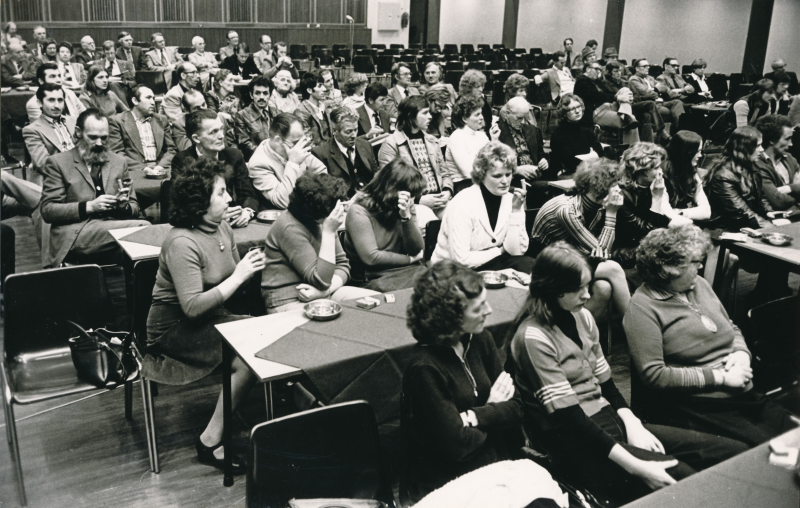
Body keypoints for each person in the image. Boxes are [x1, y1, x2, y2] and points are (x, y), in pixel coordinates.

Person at [509, 242, 746, 506]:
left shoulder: (582, 317)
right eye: (579, 289)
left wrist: (631, 422)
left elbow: (607, 385)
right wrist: (635, 464)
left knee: (731, 452)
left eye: (588, 285)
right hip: (576, 442)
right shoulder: (533, 337)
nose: (588, 295)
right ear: (553, 290)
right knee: (683, 481)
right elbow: (569, 418)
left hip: (611, 421)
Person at [142, 157, 265, 475]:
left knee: (264, 333)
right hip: (174, 327)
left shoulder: (222, 226)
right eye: (222, 193)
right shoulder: (182, 241)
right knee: (248, 354)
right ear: (200, 202)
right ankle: (210, 440)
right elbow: (192, 307)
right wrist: (240, 275)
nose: (230, 199)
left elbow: (234, 277)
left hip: (211, 315)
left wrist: (256, 268)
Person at [624, 225, 797, 447]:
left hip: (744, 392)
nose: (701, 266)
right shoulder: (642, 309)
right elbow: (655, 375)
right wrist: (721, 378)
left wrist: (741, 353)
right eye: (695, 262)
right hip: (702, 406)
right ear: (670, 268)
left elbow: (730, 327)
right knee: (770, 454)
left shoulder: (699, 285)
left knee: (794, 438)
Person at [401, 260, 524, 503]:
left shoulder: (481, 339)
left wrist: (474, 416)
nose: (489, 311)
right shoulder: (425, 367)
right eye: (478, 308)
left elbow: (518, 407)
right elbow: (458, 446)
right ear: (450, 318)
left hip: (494, 463)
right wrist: (494, 407)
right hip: (448, 481)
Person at [39, 109, 150, 267]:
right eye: (92, 137)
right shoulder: (58, 163)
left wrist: (122, 206)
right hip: (75, 234)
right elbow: (48, 210)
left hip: (111, 228)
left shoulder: (119, 162)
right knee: (144, 229)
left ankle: (138, 291)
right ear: (78, 132)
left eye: (104, 138)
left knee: (145, 243)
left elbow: (134, 208)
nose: (99, 144)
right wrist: (89, 206)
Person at [260, 172, 378, 312]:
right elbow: (320, 280)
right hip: (288, 299)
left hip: (322, 292)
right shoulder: (289, 226)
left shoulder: (322, 217)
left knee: (377, 301)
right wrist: (328, 232)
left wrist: (322, 292)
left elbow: (343, 266)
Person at [530, 158, 631, 320]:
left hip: (568, 256)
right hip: (544, 263)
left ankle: (576, 333)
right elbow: (603, 253)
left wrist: (609, 212)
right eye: (614, 185)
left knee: (603, 288)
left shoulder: (596, 207)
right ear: (599, 186)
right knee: (613, 268)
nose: (619, 189)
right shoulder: (567, 209)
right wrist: (612, 213)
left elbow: (600, 253)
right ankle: (637, 326)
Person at [432, 141, 532, 272]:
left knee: (530, 265)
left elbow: (517, 251)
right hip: (450, 272)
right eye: (497, 175)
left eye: (508, 174)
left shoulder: (511, 200)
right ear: (481, 175)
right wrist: (500, 251)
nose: (505, 181)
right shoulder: (462, 203)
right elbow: (460, 260)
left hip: (488, 266)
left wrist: (516, 211)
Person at [343, 157, 427, 289]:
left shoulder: (405, 203)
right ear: (392, 191)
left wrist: (406, 218)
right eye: (410, 195)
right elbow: (371, 258)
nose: (412, 200)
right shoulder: (358, 211)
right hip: (371, 277)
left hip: (402, 270)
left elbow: (416, 248)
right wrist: (410, 259)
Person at [172, 109, 259, 228]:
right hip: (199, 225)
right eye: (214, 132)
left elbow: (248, 194)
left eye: (221, 129)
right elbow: (180, 205)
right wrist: (213, 216)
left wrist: (247, 212)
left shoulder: (234, 156)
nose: (221, 136)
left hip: (233, 221)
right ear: (196, 138)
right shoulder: (183, 160)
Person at [614, 142, 690, 268]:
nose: (661, 172)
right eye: (656, 168)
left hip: (649, 242)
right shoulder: (621, 195)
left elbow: (666, 218)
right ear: (642, 170)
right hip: (626, 250)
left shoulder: (654, 186)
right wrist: (657, 198)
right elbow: (646, 234)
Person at [378, 95, 453, 217]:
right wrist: (419, 200)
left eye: (429, 112)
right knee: (427, 218)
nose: (430, 116)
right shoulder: (391, 143)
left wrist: (447, 191)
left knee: (459, 215)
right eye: (425, 113)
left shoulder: (431, 140)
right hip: (413, 204)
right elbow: (388, 186)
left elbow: (445, 174)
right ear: (410, 116)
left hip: (439, 199)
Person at [703, 126, 784, 231]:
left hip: (747, 224)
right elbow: (740, 212)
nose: (762, 150)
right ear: (744, 148)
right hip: (725, 229)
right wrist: (770, 227)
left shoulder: (752, 166)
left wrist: (769, 212)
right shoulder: (722, 176)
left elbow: (761, 197)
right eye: (757, 146)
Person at [248, 113, 328, 210]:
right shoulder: (258, 164)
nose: (301, 146)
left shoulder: (295, 147)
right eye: (295, 142)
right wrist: (293, 164)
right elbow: (283, 201)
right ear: (278, 140)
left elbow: (322, 173)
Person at [108, 85, 176, 175]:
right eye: (148, 98)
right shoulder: (117, 121)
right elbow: (117, 153)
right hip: (135, 170)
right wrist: (144, 168)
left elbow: (171, 150)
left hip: (161, 168)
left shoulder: (162, 120)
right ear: (135, 101)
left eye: (153, 98)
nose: (153, 102)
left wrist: (160, 166)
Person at [311, 106, 378, 197]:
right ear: (335, 131)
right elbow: (325, 193)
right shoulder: (321, 153)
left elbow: (376, 175)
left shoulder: (365, 145)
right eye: (348, 132)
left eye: (356, 129)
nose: (354, 135)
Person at [497, 97, 551, 206]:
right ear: (508, 113)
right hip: (513, 180)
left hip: (536, 177)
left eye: (524, 118)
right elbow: (495, 165)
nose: (522, 122)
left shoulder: (533, 131)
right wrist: (517, 169)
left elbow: (541, 154)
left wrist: (544, 161)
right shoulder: (497, 133)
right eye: (518, 118)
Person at [23, 83, 77, 186]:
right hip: (54, 182)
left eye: (60, 100)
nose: (57, 105)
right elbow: (43, 164)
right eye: (51, 100)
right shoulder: (32, 130)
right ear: (39, 103)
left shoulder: (73, 121)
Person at [574, 61, 640, 145]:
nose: (598, 72)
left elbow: (608, 92)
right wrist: (618, 97)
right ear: (587, 69)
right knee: (630, 122)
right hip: (596, 112)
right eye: (596, 69)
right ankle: (632, 152)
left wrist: (624, 96)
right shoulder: (581, 82)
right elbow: (596, 96)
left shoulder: (596, 81)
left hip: (607, 107)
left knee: (625, 90)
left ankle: (627, 115)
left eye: (600, 70)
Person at [445, 95, 495, 194]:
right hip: (464, 185)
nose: (482, 117)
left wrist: (494, 140)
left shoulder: (481, 135)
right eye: (477, 115)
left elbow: (493, 161)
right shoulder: (457, 137)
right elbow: (468, 173)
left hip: (482, 180)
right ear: (464, 119)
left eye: (481, 113)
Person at [549, 94, 604, 178]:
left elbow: (600, 152)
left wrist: (582, 158)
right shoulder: (558, 135)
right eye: (572, 109)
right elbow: (571, 163)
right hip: (570, 175)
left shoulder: (586, 131)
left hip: (590, 172)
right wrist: (592, 155)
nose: (578, 111)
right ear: (564, 113)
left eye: (578, 106)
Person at [629, 59, 685, 141]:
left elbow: (665, 88)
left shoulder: (650, 78)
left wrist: (654, 90)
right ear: (637, 68)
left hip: (660, 102)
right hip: (650, 105)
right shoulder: (634, 79)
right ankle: (667, 134)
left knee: (677, 102)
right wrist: (656, 90)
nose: (648, 68)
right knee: (672, 112)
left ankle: (681, 131)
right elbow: (646, 93)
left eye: (648, 66)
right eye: (644, 66)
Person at [661, 131, 712, 221]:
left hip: (682, 222)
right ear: (685, 153)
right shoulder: (661, 175)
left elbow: (706, 212)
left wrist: (680, 212)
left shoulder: (691, 171)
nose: (700, 155)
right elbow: (667, 215)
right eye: (697, 152)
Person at [754, 114, 799, 210]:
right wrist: (796, 189)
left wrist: (789, 188)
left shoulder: (789, 158)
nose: (791, 143)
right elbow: (778, 202)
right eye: (787, 139)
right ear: (772, 140)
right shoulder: (758, 165)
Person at [170, 89, 236, 152]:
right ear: (186, 110)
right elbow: (188, 152)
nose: (203, 109)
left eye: (204, 104)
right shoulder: (180, 126)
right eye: (197, 108)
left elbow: (232, 143)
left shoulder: (219, 118)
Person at [234, 76, 272, 160]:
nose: (261, 97)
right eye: (257, 93)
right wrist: (267, 156)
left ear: (270, 95)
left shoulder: (277, 113)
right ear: (251, 95)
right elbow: (245, 144)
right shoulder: (241, 115)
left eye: (265, 93)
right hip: (256, 159)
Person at [295, 71, 332, 148]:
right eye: (320, 86)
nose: (324, 89)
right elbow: (307, 142)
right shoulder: (301, 111)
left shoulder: (324, 106)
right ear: (309, 90)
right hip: (316, 154)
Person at [458, 69, 493, 138]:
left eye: (482, 86)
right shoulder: (460, 104)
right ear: (468, 88)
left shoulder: (482, 100)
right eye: (477, 87)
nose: (481, 89)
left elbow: (488, 122)